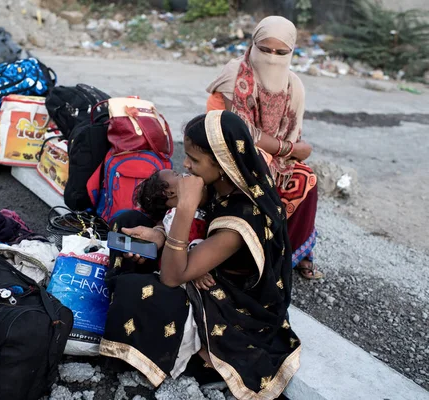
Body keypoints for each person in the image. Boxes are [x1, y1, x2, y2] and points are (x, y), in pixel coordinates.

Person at [100, 111, 300, 400]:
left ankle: (195, 357)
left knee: (138, 291)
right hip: (195, 262)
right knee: (126, 221)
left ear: (222, 163)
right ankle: (129, 302)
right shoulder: (217, 183)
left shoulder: (242, 218)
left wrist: (185, 208)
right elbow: (182, 229)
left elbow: (171, 277)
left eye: (194, 159)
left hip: (228, 304)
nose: (185, 164)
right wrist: (160, 234)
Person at [206, 16, 322, 280]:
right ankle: (245, 259)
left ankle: (287, 255)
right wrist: (289, 148)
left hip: (273, 155)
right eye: (265, 50)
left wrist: (288, 151)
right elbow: (240, 131)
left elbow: (292, 133)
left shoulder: (294, 85)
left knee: (306, 178)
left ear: (291, 52)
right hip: (224, 147)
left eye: (281, 53)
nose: (272, 58)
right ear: (253, 45)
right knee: (260, 166)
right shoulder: (235, 74)